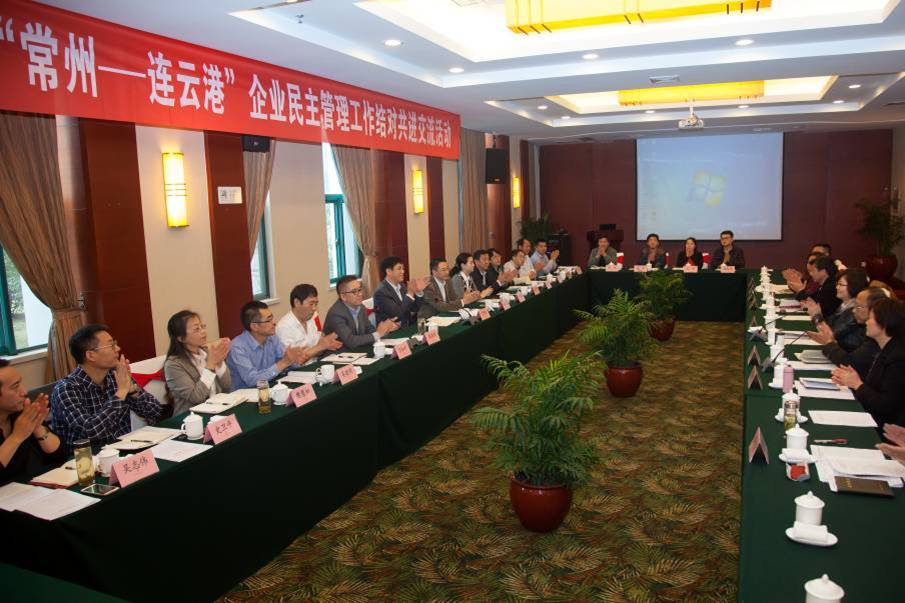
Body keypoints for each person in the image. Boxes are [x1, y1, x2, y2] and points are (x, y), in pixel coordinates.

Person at [50, 324, 163, 448]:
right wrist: (121, 392)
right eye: (111, 345)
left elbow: (155, 411)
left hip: (123, 451)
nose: (118, 349)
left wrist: (132, 391)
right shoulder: (66, 389)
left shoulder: (115, 376)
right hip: (87, 457)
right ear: (90, 355)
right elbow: (91, 431)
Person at [831, 297, 905, 428]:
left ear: (883, 324)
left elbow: (885, 405)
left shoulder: (898, 359)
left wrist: (857, 384)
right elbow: (875, 387)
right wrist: (851, 379)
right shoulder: (887, 348)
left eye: (870, 318)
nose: (866, 322)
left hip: (884, 427)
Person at [0, 359, 66, 486]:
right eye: (15, 387)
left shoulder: (20, 413)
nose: (24, 392)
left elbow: (60, 455)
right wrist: (16, 437)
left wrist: (37, 427)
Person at [164, 310, 232, 416]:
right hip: (191, 417)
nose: (203, 331)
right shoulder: (173, 365)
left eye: (202, 326)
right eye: (196, 329)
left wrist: (219, 362)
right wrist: (211, 364)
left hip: (217, 410)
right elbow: (197, 397)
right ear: (181, 338)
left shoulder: (206, 352)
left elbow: (227, 385)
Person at [226, 301, 308, 390]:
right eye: (268, 320)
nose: (274, 323)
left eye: (272, 318)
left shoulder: (272, 338)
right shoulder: (237, 347)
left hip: (270, 388)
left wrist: (295, 359)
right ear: (254, 326)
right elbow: (252, 380)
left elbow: (285, 362)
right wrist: (284, 362)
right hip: (245, 394)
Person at [810, 286, 889, 378]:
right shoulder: (858, 322)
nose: (854, 310)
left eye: (858, 307)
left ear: (875, 310)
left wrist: (829, 343)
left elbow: (850, 362)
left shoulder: (876, 335)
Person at [323, 275, 400, 350]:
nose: (360, 294)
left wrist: (385, 329)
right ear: (343, 296)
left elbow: (369, 329)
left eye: (359, 290)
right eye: (354, 292)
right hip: (338, 354)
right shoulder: (336, 313)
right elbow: (350, 341)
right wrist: (378, 334)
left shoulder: (361, 307)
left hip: (357, 351)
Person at [801, 268, 868, 352]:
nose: (836, 287)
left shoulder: (855, 310)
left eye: (841, 284)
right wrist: (818, 314)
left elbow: (833, 334)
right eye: (837, 284)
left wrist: (816, 316)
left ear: (854, 286)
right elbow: (830, 323)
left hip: (845, 352)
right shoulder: (844, 304)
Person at [275, 284, 342, 364]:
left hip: (315, 363)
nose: (314, 308)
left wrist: (326, 345)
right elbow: (293, 361)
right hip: (297, 370)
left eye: (316, 304)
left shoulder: (313, 317)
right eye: (311, 304)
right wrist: (320, 346)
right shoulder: (283, 327)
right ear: (297, 302)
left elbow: (318, 350)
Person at [372, 256, 427, 327]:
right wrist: (410, 293)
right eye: (399, 269)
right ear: (388, 271)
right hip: (392, 330)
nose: (403, 271)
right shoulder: (381, 292)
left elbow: (414, 308)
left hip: (407, 325)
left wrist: (418, 292)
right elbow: (397, 314)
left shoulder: (402, 286)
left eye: (403, 268)